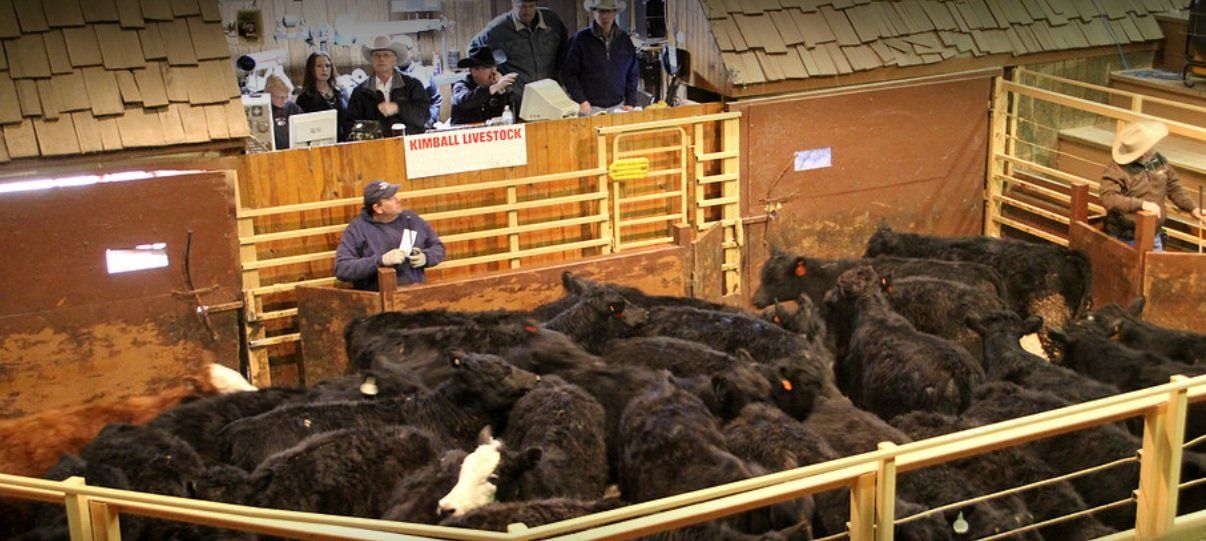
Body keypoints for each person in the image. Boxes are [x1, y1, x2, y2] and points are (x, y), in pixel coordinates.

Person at [1100, 120, 1203, 251]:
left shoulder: (1156, 159)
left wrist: (1192, 207)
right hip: (1125, 235)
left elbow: (1173, 185)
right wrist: (1142, 204)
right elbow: (1108, 197)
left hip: (1153, 233)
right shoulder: (1116, 169)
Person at [335, 180, 446, 291]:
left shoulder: (412, 219)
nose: (398, 200)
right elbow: (342, 269)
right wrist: (380, 261)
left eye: (395, 195)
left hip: (417, 292)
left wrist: (426, 257)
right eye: (390, 198)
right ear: (378, 208)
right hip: (378, 297)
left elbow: (438, 248)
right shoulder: (357, 229)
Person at [470, 0, 568, 111]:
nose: (527, 11)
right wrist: (491, 75)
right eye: (522, 7)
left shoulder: (551, 20)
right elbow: (473, 49)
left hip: (550, 96)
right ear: (513, 4)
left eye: (531, 6)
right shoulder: (498, 27)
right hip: (518, 99)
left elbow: (566, 49)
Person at [560, 0, 639, 115]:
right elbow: (568, 73)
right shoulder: (580, 39)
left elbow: (633, 73)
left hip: (618, 107)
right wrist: (581, 100)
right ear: (594, 12)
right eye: (601, 11)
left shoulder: (624, 40)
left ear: (615, 12)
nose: (605, 16)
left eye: (609, 11)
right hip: (589, 108)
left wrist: (630, 102)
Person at [346, 36, 432, 137]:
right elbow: (351, 125)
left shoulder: (413, 85)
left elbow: (423, 117)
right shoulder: (360, 92)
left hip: (407, 145)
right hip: (375, 148)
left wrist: (398, 108)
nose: (381, 58)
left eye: (386, 55)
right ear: (371, 60)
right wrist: (375, 131)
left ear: (395, 60)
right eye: (377, 55)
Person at [450, 46, 517, 125]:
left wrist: (502, 92)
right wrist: (494, 88)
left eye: (494, 67)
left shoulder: (496, 86)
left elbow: (503, 116)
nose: (494, 72)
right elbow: (465, 102)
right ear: (474, 71)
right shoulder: (461, 85)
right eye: (488, 68)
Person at [295, 52, 350, 141]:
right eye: (319, 66)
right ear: (311, 69)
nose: (324, 69)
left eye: (327, 66)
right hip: (321, 144)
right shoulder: (304, 99)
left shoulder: (341, 93)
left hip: (345, 143)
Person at [391, 35, 443, 129]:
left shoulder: (424, 73)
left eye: (404, 49)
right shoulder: (388, 76)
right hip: (398, 129)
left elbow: (436, 99)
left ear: (411, 51)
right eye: (397, 51)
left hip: (422, 126)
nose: (400, 54)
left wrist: (430, 120)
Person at [265, 74, 302, 150]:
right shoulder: (264, 110)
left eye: (287, 96)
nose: (284, 101)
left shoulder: (294, 108)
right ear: (268, 94)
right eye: (280, 97)